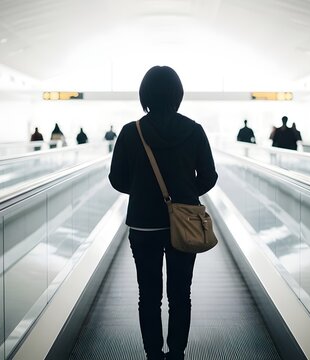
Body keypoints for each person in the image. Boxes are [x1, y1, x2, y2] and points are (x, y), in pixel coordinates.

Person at [108, 66, 217, 360]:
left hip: (143, 227)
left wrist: (143, 191)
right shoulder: (194, 130)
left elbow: (116, 179)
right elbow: (209, 176)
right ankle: (177, 352)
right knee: (181, 295)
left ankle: (153, 354)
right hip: (185, 225)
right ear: (177, 95)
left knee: (149, 296)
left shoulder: (132, 132)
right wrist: (184, 192)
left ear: (144, 95)